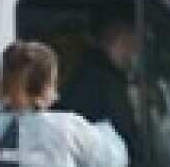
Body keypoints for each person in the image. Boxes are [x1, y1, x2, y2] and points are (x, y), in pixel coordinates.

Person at [57, 11, 141, 150]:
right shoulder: (103, 81)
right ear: (119, 39)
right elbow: (125, 138)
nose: (133, 52)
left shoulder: (85, 72)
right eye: (131, 43)